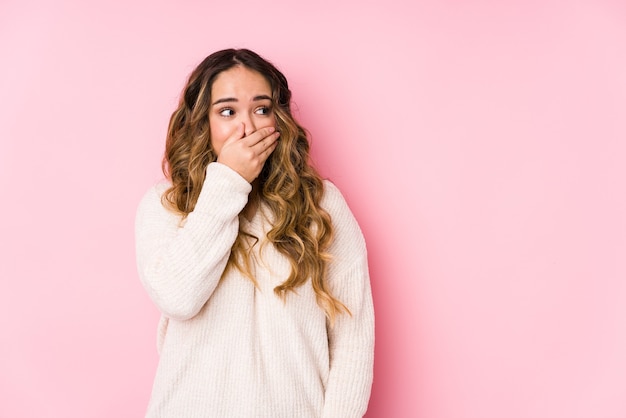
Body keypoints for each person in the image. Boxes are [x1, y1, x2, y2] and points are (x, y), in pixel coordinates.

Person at [135, 48, 374, 417]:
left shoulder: (322, 205)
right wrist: (228, 181)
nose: (247, 126)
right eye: (227, 111)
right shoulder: (166, 205)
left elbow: (353, 336)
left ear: (278, 119)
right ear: (203, 122)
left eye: (261, 109)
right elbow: (177, 297)